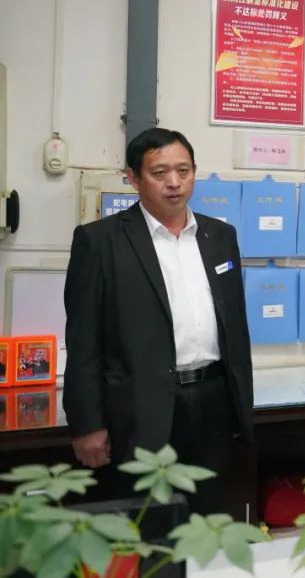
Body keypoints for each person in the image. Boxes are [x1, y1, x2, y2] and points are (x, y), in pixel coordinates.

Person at [64, 128, 254, 514]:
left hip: (214, 402)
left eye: (184, 171)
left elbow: (235, 325)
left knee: (208, 518)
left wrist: (241, 406)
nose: (174, 182)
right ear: (133, 178)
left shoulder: (220, 236)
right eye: (160, 172)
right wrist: (87, 423)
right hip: (141, 409)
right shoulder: (99, 241)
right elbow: (83, 341)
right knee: (149, 522)